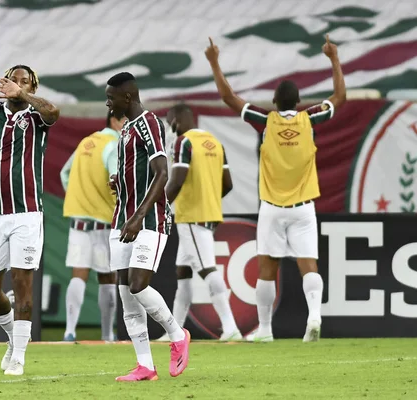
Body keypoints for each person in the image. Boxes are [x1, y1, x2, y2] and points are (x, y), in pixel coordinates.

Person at [204, 35, 346, 342]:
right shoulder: (311, 120)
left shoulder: (265, 121)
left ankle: (266, 330)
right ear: (297, 102)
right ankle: (314, 318)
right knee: (309, 265)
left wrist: (215, 62)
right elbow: (339, 97)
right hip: (304, 208)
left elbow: (229, 98)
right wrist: (333, 59)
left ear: (275, 102)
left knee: (266, 268)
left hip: (271, 207)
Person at [0, 65, 60, 376]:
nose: (16, 85)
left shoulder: (36, 117)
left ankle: (18, 356)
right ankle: (12, 338)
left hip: (28, 214)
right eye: (13, 80)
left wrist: (26, 96)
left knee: (22, 281)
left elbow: (54, 112)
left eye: (24, 82)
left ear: (32, 87)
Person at [105, 72, 190, 382]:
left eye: (111, 97)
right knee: (127, 296)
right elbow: (139, 174)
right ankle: (145, 366)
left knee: (139, 284)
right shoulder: (125, 130)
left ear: (127, 97)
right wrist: (120, 182)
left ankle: (177, 334)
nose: (107, 102)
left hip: (147, 220)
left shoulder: (149, 123)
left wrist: (139, 216)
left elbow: (162, 172)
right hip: (121, 220)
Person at [158, 103, 242, 342]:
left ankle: (230, 326)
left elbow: (177, 181)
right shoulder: (215, 143)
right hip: (208, 213)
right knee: (183, 272)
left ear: (177, 120)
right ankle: (175, 332)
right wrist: (210, 203)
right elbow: (228, 184)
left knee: (207, 269)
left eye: (170, 121)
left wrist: (158, 205)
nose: (170, 127)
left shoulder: (183, 142)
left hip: (191, 215)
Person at [60, 111, 126, 342]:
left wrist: (79, 197)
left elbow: (64, 173)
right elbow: (117, 178)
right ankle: (107, 334)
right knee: (107, 277)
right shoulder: (114, 145)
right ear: (115, 120)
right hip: (103, 222)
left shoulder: (86, 142)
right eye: (126, 120)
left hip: (78, 220)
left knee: (78, 274)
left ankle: (69, 331)